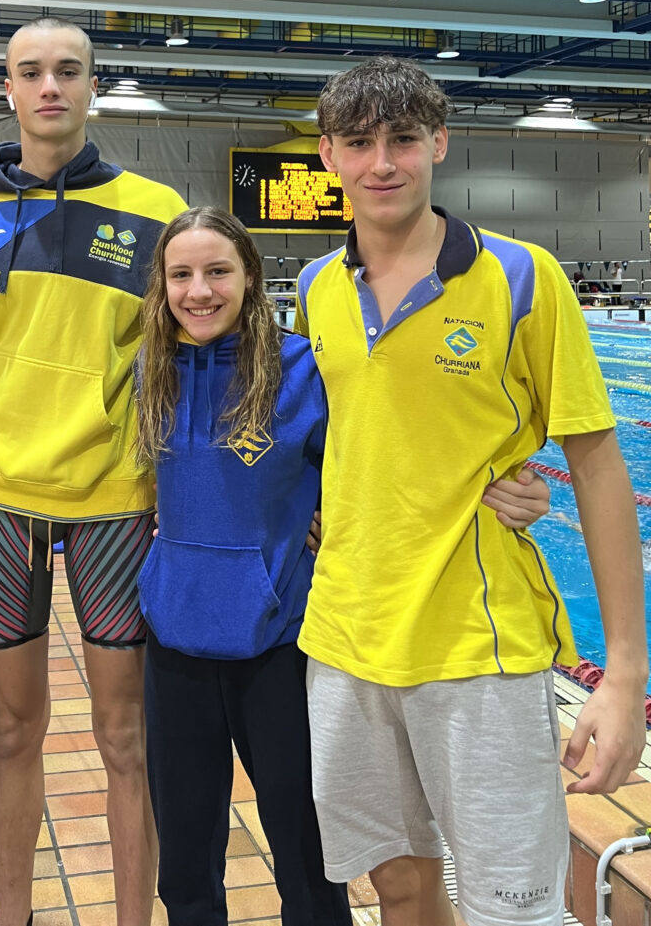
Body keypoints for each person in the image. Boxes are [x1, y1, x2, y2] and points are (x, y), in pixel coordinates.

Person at [293, 57, 647, 926]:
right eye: (360, 142)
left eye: (404, 139)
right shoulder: (313, 290)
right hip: (345, 639)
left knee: (512, 909)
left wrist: (625, 675)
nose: (383, 162)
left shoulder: (521, 278)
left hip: (476, 649)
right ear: (330, 156)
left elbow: (598, 465)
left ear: (439, 144)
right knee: (398, 883)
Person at [135, 206, 551, 926]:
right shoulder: (150, 370)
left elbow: (384, 449)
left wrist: (498, 479)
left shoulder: (301, 368)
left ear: (251, 279)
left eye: (217, 272)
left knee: (305, 853)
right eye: (181, 274)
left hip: (278, 643)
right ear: (162, 285)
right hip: (174, 643)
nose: (198, 290)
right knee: (183, 864)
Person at [0, 16, 187, 926]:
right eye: (31, 72)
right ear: (8, 90)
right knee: (12, 731)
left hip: (116, 503)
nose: (50, 87)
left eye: (68, 71)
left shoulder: (154, 212)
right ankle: (12, 917)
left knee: (125, 736)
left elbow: (187, 349)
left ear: (92, 87)